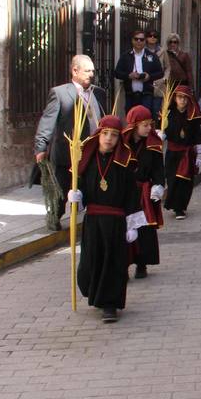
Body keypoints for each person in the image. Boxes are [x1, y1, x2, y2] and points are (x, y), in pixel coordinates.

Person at [66, 116, 132, 323]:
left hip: (115, 221)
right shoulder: (86, 161)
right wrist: (76, 196)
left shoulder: (124, 162)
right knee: (90, 262)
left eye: (114, 135)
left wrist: (133, 222)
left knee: (113, 262)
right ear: (98, 135)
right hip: (93, 220)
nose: (109, 139)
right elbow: (80, 187)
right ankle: (94, 293)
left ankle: (110, 304)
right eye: (105, 134)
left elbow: (131, 193)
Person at [35, 55, 107, 231]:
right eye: (87, 70)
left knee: (91, 188)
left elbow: (104, 118)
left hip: (94, 151)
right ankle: (54, 216)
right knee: (62, 189)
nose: (91, 74)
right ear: (75, 71)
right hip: (67, 153)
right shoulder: (60, 93)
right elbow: (48, 121)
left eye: (92, 71)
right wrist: (41, 146)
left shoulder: (99, 93)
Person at [123, 105, 165, 280]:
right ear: (135, 125)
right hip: (125, 191)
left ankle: (142, 264)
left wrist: (158, 185)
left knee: (144, 229)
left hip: (143, 192)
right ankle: (123, 265)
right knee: (124, 228)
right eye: (145, 125)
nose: (149, 128)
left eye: (150, 124)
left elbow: (158, 169)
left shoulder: (153, 144)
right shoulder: (122, 144)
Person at [162, 85, 201, 219]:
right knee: (172, 179)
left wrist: (199, 155)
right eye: (180, 97)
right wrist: (161, 134)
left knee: (184, 182)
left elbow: (197, 136)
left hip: (186, 154)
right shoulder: (167, 114)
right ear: (175, 98)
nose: (182, 101)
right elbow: (163, 129)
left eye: (185, 98)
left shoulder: (192, 116)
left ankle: (180, 208)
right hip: (172, 152)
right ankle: (173, 204)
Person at [113, 29, 164, 115]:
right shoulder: (126, 56)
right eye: (136, 39)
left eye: (141, 39)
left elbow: (160, 73)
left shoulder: (152, 56)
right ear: (132, 40)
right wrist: (129, 76)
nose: (139, 41)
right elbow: (117, 73)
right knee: (131, 120)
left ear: (145, 41)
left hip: (146, 95)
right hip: (130, 95)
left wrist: (149, 76)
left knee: (145, 119)